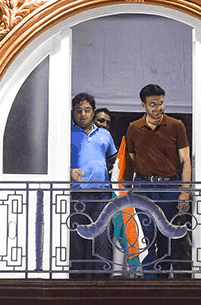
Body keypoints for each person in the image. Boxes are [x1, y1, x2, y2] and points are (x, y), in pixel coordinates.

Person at [124, 83, 192, 279]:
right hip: (143, 187)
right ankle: (149, 281)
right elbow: (130, 160)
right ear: (143, 105)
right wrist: (125, 190)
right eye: (153, 104)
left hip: (169, 186)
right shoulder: (134, 128)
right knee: (146, 235)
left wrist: (185, 191)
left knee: (165, 237)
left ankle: (160, 283)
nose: (158, 108)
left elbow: (185, 160)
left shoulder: (176, 126)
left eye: (161, 103)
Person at [68, 93, 117, 279]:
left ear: (93, 112)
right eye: (79, 111)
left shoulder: (105, 134)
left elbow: (115, 159)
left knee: (103, 238)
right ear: (73, 113)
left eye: (87, 110)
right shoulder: (67, 133)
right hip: (76, 195)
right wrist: (69, 170)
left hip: (102, 196)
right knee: (76, 240)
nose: (83, 114)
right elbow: (53, 162)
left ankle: (103, 286)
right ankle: (75, 285)